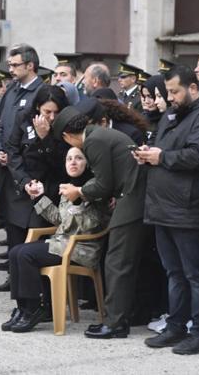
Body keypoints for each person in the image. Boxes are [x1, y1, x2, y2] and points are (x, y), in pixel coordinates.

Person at [136, 65, 199, 355]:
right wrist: (148, 156)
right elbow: (164, 149)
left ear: (193, 88)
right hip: (164, 206)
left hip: (190, 207)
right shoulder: (175, 113)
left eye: (175, 91)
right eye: (168, 92)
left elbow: (198, 156)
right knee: (174, 272)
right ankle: (176, 326)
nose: (170, 97)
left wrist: (161, 157)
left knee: (197, 275)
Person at [52, 107, 146, 339]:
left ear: (67, 136)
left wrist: (78, 190)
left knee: (117, 263)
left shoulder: (93, 141)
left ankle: (114, 323)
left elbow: (103, 184)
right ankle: (118, 319)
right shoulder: (99, 134)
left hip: (132, 199)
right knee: (121, 262)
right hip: (130, 195)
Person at [2, 147, 106, 333]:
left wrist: (77, 200)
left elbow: (92, 223)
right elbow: (60, 220)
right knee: (15, 251)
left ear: (87, 162)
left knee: (26, 254)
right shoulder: (69, 185)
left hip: (81, 248)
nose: (73, 162)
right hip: (61, 244)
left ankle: (34, 309)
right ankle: (24, 308)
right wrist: (38, 198)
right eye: (69, 159)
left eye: (78, 158)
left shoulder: (93, 187)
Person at [0, 85, 71, 292]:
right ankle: (17, 287)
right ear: (37, 107)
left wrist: (45, 137)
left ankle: (42, 295)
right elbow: (12, 150)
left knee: (37, 244)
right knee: (15, 238)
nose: (51, 116)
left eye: (56, 112)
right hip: (22, 186)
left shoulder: (64, 126)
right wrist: (24, 180)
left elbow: (60, 163)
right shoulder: (24, 117)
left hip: (47, 191)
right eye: (47, 112)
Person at [0, 44, 44, 263]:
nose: (10, 69)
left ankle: (28, 278)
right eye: (10, 65)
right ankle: (14, 275)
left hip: (28, 171)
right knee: (11, 225)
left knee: (27, 227)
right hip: (6, 167)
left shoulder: (41, 92)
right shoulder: (11, 91)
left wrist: (15, 157)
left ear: (30, 65)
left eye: (15, 65)